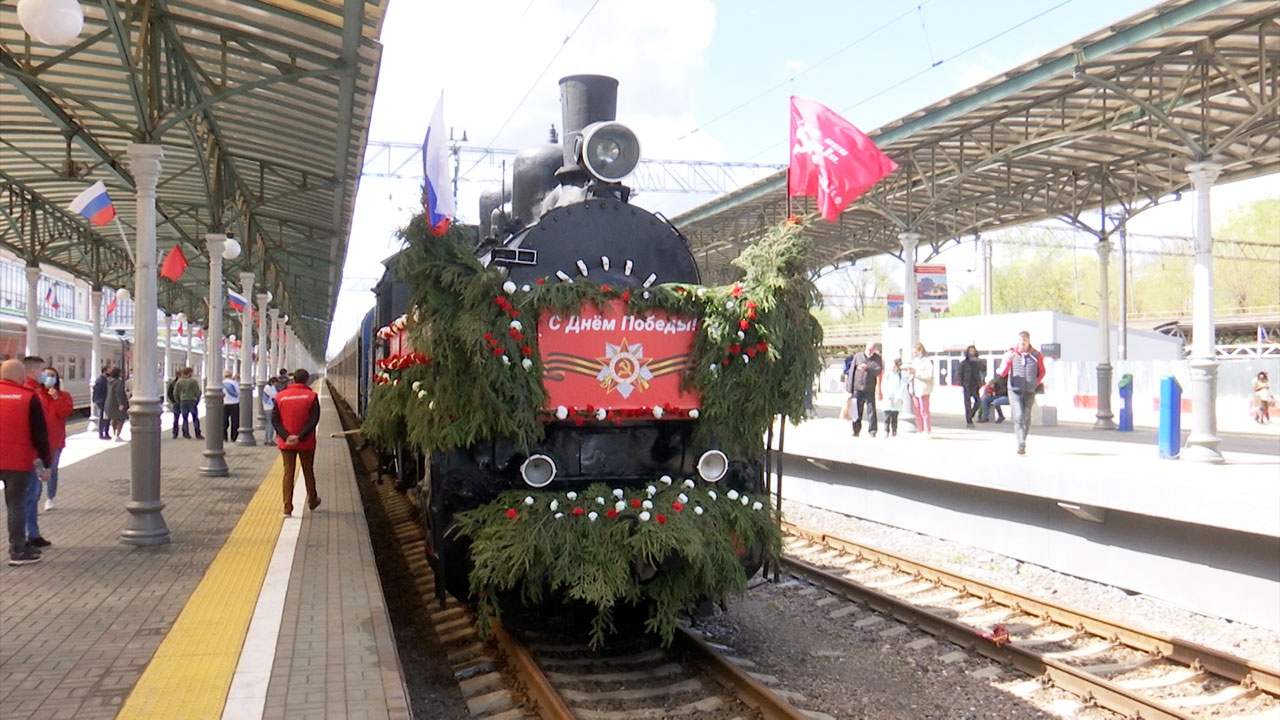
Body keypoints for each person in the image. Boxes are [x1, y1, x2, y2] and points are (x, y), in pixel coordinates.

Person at [1, 359, 52, 566]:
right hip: (18, 462)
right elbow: (40, 434)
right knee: (16, 506)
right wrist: (46, 464)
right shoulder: (28, 397)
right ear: (22, 376)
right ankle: (18, 550)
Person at [272, 369, 322, 517]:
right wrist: (299, 437)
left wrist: (286, 436)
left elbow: (275, 420)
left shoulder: (280, 396)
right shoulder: (312, 396)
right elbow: (314, 420)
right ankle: (312, 501)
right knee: (308, 470)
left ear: (293, 379)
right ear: (306, 380)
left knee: (288, 472)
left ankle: (287, 507)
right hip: (306, 442)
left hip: (286, 442)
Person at [20, 357, 55, 550]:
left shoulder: (41, 392)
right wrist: (45, 460)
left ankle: (31, 533)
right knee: (30, 495)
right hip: (33, 454)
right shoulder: (32, 394)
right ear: (33, 371)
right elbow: (39, 430)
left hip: (34, 451)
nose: (46, 375)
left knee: (32, 495)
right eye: (42, 371)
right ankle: (28, 536)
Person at [998, 330, 1046, 455]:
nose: (1022, 344)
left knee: (1026, 416)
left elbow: (1042, 371)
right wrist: (1009, 361)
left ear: (1029, 341)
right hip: (1014, 389)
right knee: (1018, 415)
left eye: (1025, 341)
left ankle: (1023, 439)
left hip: (1030, 389)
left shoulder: (1036, 355)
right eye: (1021, 341)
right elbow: (1002, 373)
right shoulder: (1010, 353)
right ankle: (1020, 442)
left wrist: (1036, 381)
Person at [36, 366, 73, 512]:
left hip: (56, 441)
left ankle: (50, 497)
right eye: (45, 375)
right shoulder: (36, 395)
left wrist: (56, 398)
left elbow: (65, 412)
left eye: (52, 376)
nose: (49, 378)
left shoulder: (63, 396)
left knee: (52, 470)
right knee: (36, 472)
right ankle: (35, 498)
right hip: (38, 440)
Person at [845, 342, 883, 437]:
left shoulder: (877, 358)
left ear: (874, 349)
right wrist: (849, 388)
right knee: (857, 410)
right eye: (868, 349)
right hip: (857, 388)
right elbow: (851, 372)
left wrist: (867, 368)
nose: (870, 351)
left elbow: (878, 371)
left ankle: (872, 430)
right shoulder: (858, 356)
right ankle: (856, 430)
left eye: (872, 349)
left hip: (869, 388)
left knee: (871, 410)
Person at [907, 342, 935, 436]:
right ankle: (920, 429)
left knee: (924, 410)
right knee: (917, 410)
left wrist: (916, 372)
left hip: (923, 388)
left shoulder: (927, 361)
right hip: (914, 388)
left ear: (920, 350)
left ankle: (927, 430)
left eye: (915, 351)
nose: (914, 353)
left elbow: (929, 375)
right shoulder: (915, 361)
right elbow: (912, 374)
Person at [880, 357, 908, 438]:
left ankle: (894, 431)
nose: (892, 367)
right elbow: (883, 386)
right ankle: (886, 430)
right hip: (888, 399)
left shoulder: (900, 375)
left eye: (894, 366)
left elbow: (902, 387)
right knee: (887, 416)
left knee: (895, 417)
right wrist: (888, 397)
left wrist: (898, 398)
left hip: (897, 400)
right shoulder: (887, 374)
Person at [959, 345, 985, 427]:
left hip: (975, 384)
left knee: (978, 402)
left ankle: (971, 414)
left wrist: (978, 361)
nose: (972, 353)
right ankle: (969, 421)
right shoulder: (964, 363)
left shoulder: (977, 362)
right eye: (970, 351)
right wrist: (961, 384)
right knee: (967, 403)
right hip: (966, 384)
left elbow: (984, 369)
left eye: (973, 351)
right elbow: (960, 373)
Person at [174, 367, 203, 439]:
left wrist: (178, 400)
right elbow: (197, 392)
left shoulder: (179, 382)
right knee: (195, 418)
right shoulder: (193, 381)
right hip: (192, 400)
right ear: (190, 373)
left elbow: (175, 393)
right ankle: (197, 433)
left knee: (185, 418)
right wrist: (197, 400)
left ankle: (186, 433)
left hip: (183, 401)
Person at [104, 367, 130, 441]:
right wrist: (121, 403)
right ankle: (117, 434)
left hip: (109, 403)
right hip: (117, 404)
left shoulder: (109, 382)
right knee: (121, 419)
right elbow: (119, 393)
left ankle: (114, 434)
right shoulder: (119, 382)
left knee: (114, 419)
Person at [92, 366, 110, 439]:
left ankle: (106, 432)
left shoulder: (106, 380)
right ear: (105, 371)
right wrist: (95, 400)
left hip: (105, 400)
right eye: (109, 370)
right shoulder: (100, 380)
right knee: (103, 417)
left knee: (106, 417)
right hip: (102, 401)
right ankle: (101, 433)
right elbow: (96, 391)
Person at [261, 373, 279, 444]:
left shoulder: (271, 387)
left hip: (270, 406)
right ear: (272, 382)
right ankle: (269, 440)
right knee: (270, 423)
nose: (276, 385)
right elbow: (274, 395)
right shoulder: (267, 387)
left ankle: (267, 439)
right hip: (269, 407)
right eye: (275, 383)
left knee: (268, 423)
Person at [222, 370, 240, 442]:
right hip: (234, 403)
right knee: (235, 421)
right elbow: (238, 392)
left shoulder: (221, 383)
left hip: (224, 403)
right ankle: (234, 437)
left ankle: (224, 437)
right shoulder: (234, 383)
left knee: (224, 421)